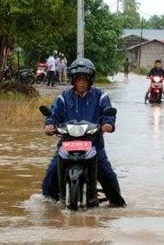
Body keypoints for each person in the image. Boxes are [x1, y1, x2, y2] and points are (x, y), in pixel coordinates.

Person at [41, 58, 126, 207]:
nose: (81, 82)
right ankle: (49, 204)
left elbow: (108, 114)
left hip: (93, 145)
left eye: (84, 79)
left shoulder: (101, 96)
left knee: (108, 175)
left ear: (90, 80)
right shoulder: (63, 98)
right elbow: (53, 114)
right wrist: (49, 125)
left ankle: (117, 206)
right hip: (67, 144)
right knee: (51, 174)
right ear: (73, 80)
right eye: (78, 79)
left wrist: (108, 124)